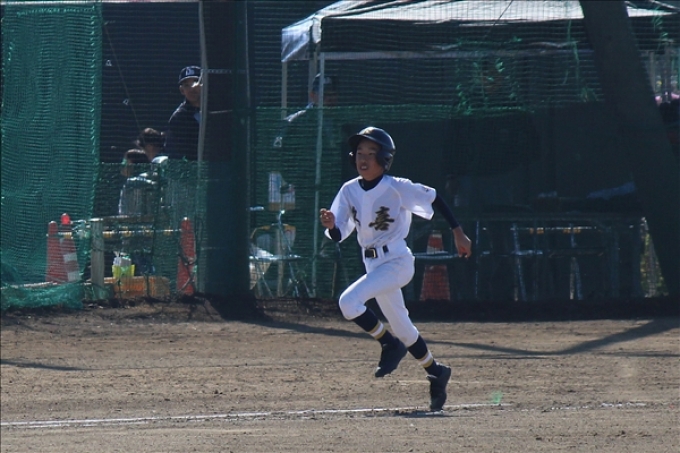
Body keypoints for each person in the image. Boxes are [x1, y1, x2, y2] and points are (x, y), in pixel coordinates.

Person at [319, 126, 472, 411]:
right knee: (403, 327)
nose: (363, 158)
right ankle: (436, 372)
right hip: (373, 264)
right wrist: (331, 225)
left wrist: (458, 232)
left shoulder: (396, 186)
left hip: (397, 262)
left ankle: (389, 345)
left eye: (371, 153)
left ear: (385, 158)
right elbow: (339, 232)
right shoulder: (349, 190)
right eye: (359, 152)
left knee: (348, 302)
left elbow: (434, 197)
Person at [166, 66, 201, 160]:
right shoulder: (178, 118)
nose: (192, 89)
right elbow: (174, 153)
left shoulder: (217, 109)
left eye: (196, 83)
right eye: (186, 85)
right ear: (182, 90)